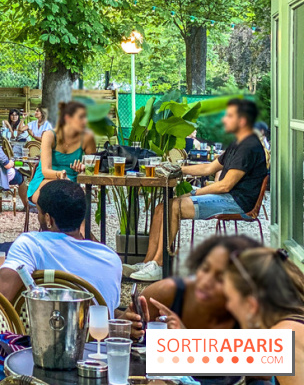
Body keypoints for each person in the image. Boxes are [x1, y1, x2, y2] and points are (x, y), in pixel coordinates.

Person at [130, 99, 267, 282]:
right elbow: (209, 168)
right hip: (227, 196)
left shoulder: (248, 146)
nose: (224, 120)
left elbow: (225, 186)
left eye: (229, 116)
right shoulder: (237, 143)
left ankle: (159, 265)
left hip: (237, 202)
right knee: (161, 208)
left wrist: (193, 193)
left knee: (174, 207)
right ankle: (148, 263)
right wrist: (178, 169)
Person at [0, 180, 122, 310]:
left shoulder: (31, 245)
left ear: (48, 219)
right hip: (92, 326)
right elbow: (106, 312)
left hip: (41, 324)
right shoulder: (110, 260)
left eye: (39, 212)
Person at [117, 235, 261, 340]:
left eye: (220, 278)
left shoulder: (252, 315)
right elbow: (114, 334)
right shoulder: (166, 293)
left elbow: (259, 369)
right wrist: (128, 329)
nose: (205, 281)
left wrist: (186, 341)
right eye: (205, 269)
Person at [225, 248, 304, 385]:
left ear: (251, 304)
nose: (228, 306)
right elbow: (264, 373)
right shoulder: (294, 321)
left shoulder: (283, 338)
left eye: (230, 298)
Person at [25, 101, 96, 204]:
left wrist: (84, 167)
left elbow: (94, 166)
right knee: (57, 196)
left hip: (70, 183)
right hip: (45, 179)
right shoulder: (49, 135)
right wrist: (61, 175)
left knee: (67, 199)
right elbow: (45, 171)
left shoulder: (87, 138)